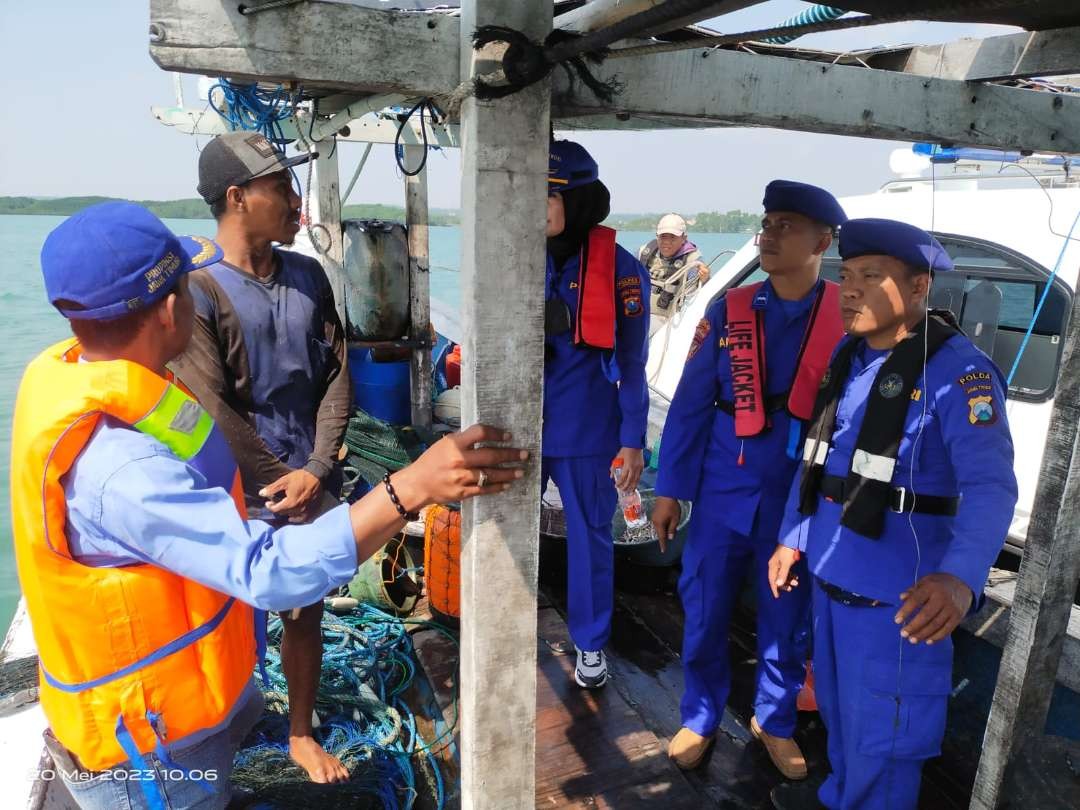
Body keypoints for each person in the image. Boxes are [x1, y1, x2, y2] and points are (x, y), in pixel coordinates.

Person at [11, 201, 527, 809]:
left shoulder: (79, 376)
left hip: (187, 708)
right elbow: (268, 573)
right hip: (149, 756)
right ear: (173, 307)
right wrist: (410, 487)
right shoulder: (120, 469)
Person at [766, 219, 1018, 810]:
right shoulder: (849, 358)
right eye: (847, 276)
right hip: (830, 579)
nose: (849, 290)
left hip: (898, 604)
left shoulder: (961, 374)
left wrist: (960, 578)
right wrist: (791, 536)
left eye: (871, 277)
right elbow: (819, 464)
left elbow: (991, 487)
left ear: (919, 285)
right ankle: (838, 796)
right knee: (838, 714)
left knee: (886, 738)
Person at [169, 131, 352, 782]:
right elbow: (210, 409)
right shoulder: (199, 287)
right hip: (239, 488)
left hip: (307, 473)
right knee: (229, 614)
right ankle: (232, 714)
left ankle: (299, 731)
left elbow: (336, 371)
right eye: (281, 188)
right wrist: (284, 481)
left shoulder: (307, 273)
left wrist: (318, 470)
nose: (296, 199)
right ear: (239, 198)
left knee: (305, 609)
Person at [652, 180, 848, 775]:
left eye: (787, 223)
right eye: (768, 221)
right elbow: (688, 405)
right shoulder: (729, 310)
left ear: (824, 240)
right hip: (721, 491)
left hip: (799, 498)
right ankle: (700, 715)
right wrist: (670, 491)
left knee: (787, 615)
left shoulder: (847, 315)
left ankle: (776, 719)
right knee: (706, 605)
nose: (769, 232)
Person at [544, 139, 650, 689]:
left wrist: (632, 440)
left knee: (590, 538)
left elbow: (631, 363)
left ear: (579, 200)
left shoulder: (624, 272)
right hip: (517, 423)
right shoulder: (514, 254)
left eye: (549, 194)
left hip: (586, 431)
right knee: (494, 530)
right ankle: (495, 627)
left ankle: (589, 644)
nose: (534, 205)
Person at [638, 213, 706, 324]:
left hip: (667, 320)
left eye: (673, 237)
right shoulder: (644, 252)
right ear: (657, 236)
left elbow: (696, 295)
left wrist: (705, 279)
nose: (667, 242)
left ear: (684, 238)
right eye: (663, 236)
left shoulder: (692, 261)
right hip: (637, 311)